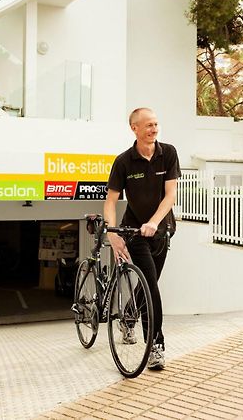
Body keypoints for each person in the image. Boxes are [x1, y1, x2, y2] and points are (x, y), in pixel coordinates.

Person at [103, 107, 181, 370]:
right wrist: (112, 234)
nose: (154, 129)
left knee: (149, 284)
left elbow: (170, 195)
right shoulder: (124, 161)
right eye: (148, 125)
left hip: (161, 232)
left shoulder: (168, 153)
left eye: (156, 124)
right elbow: (111, 202)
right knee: (152, 288)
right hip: (135, 233)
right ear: (134, 128)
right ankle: (155, 345)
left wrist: (155, 222)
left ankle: (127, 316)